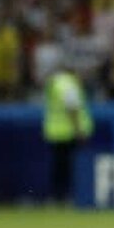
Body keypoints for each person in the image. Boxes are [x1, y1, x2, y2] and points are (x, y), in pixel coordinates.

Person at [41, 64, 93, 203]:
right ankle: (68, 197)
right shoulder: (69, 85)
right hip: (68, 132)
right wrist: (79, 130)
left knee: (58, 167)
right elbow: (72, 108)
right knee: (69, 168)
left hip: (54, 131)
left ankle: (55, 197)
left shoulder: (55, 83)